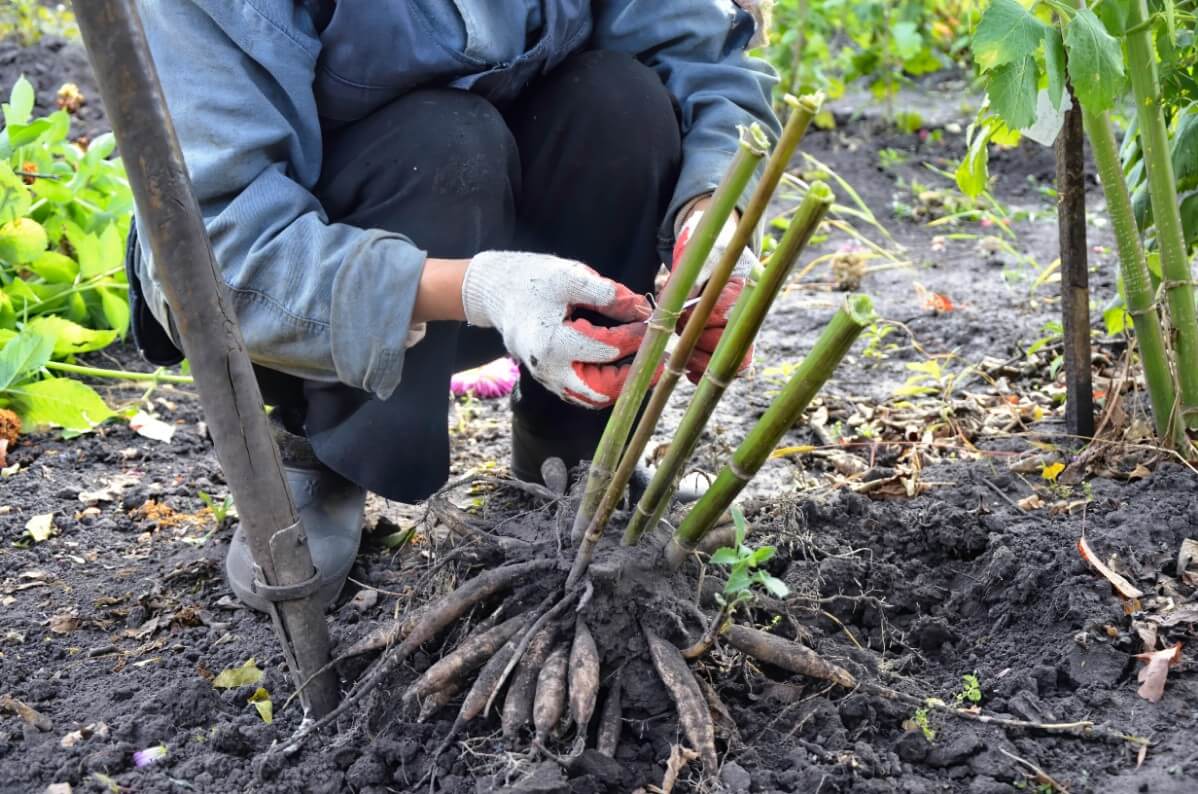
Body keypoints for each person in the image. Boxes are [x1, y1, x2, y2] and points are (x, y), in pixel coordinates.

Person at [126, 0, 780, 612]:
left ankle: (573, 445)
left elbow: (701, 57)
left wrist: (713, 214)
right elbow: (211, 252)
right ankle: (318, 436)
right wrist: (479, 288)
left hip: (526, 222)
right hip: (334, 268)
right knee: (446, 141)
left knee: (622, 103)